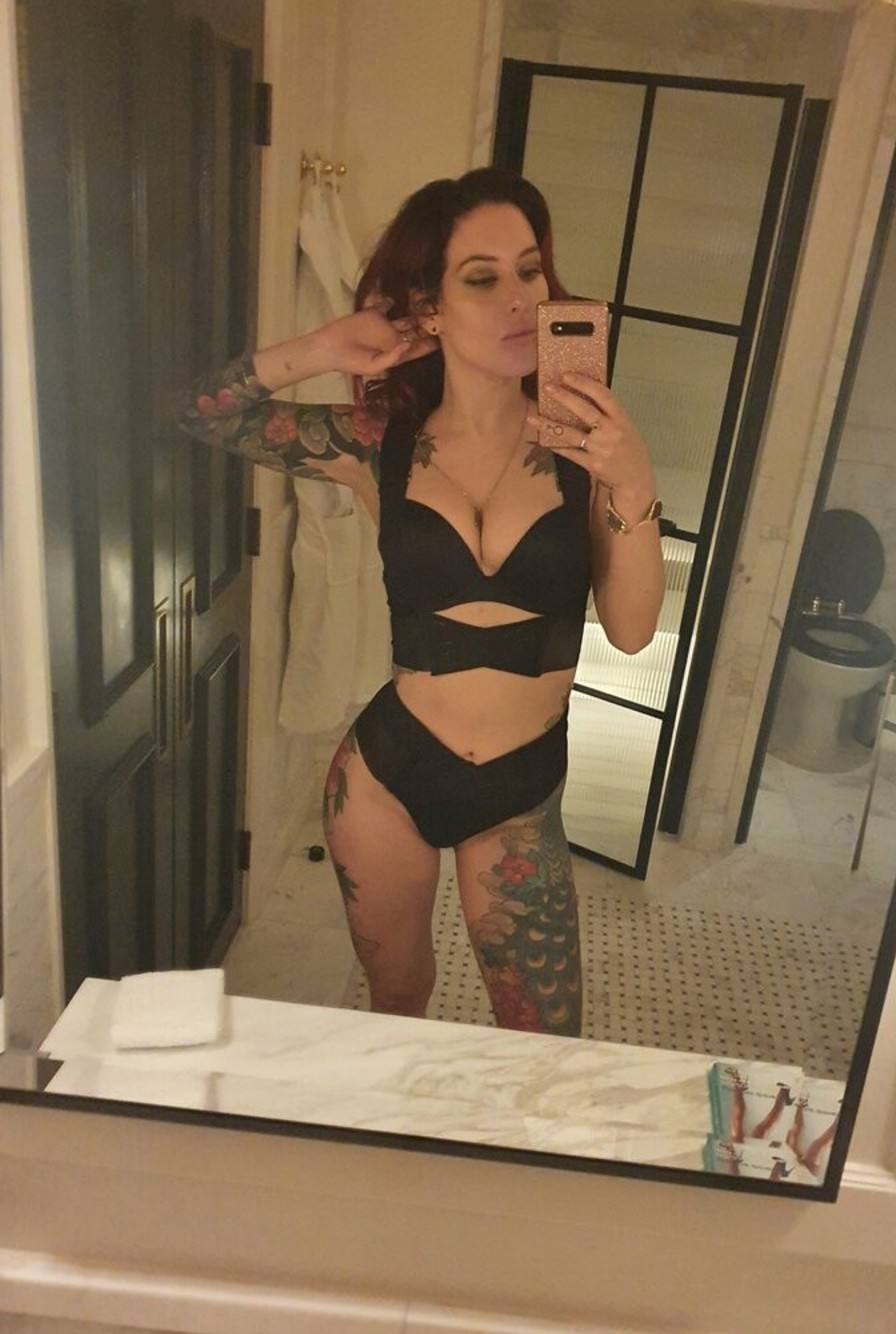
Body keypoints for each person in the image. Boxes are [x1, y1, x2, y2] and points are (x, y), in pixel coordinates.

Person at [178, 167, 665, 1037]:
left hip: (520, 792)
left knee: (543, 1043)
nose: (519, 298)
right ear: (429, 310)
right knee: (397, 1001)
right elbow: (203, 414)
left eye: (530, 270)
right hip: (386, 778)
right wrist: (324, 346)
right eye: (482, 278)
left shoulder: (589, 447)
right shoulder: (378, 445)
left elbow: (631, 633)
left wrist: (633, 482)